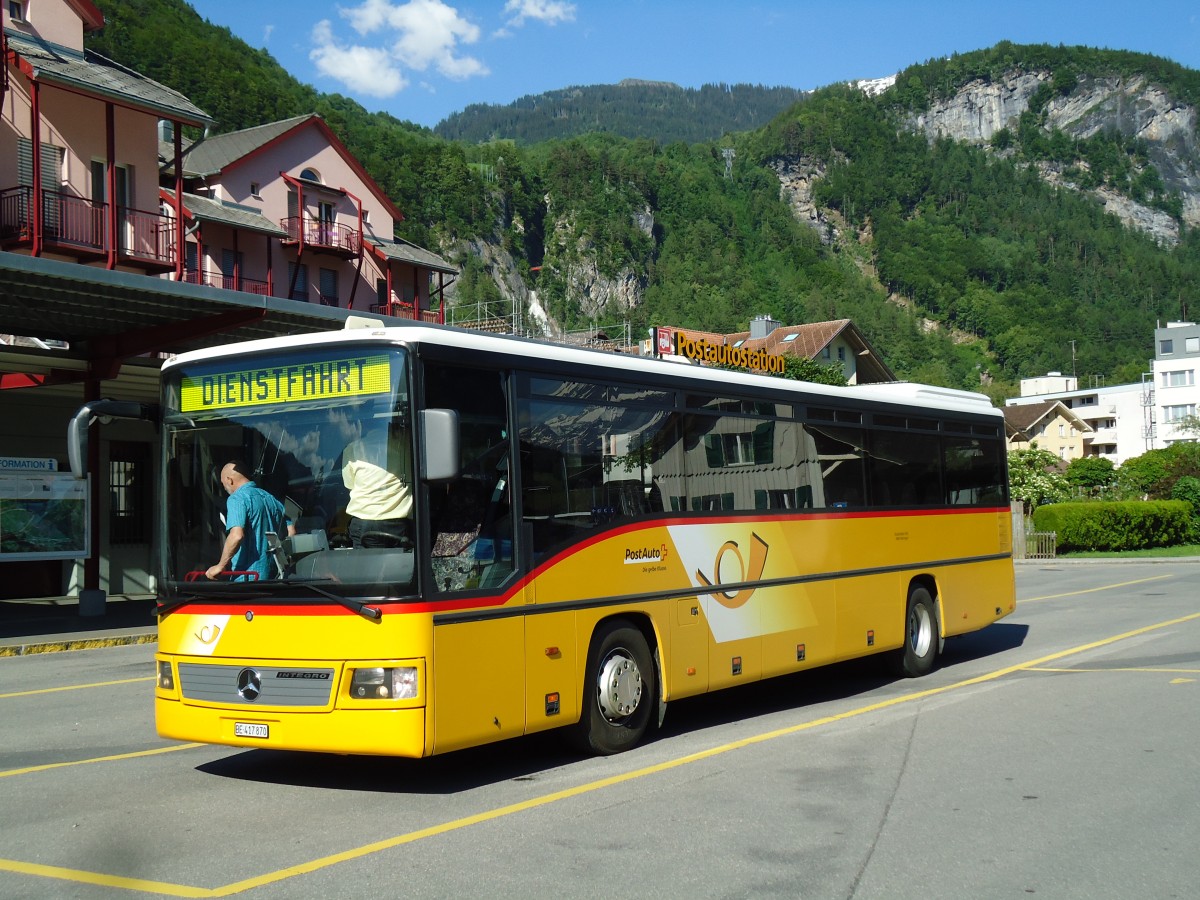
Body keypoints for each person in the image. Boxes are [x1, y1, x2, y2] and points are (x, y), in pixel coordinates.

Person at [206, 460, 294, 581]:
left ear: (229, 480)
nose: (224, 488)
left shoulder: (237, 498)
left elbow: (237, 536)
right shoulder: (272, 499)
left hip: (247, 579)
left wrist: (220, 566)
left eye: (223, 484)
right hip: (274, 578)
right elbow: (291, 532)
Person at [342, 411, 413, 548]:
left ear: (362, 424)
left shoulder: (352, 449)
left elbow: (350, 485)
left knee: (363, 562)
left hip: (362, 524)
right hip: (398, 526)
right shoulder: (407, 445)